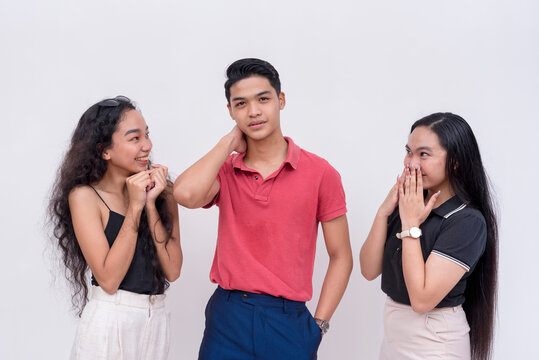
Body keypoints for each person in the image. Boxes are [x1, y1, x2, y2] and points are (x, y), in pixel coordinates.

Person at [174, 58, 353, 360]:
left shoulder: (321, 173)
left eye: (263, 99)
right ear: (230, 111)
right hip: (228, 318)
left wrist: (318, 325)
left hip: (290, 321)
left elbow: (341, 256)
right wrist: (227, 143)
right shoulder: (225, 170)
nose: (254, 111)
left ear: (280, 101)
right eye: (241, 103)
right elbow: (185, 194)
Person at [48, 96, 183, 360]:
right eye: (134, 139)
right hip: (111, 320)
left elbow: (174, 270)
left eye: (147, 135)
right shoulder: (85, 197)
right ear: (104, 150)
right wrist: (134, 207)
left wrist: (151, 204)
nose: (147, 145)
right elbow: (109, 280)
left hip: (155, 320)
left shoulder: (163, 192)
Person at [360, 113, 498, 360]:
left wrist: (411, 224)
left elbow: (422, 300)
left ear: (455, 161)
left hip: (435, 341)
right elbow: (369, 270)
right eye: (408, 151)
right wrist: (383, 213)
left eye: (423, 154)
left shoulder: (467, 220)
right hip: (395, 335)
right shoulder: (411, 204)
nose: (411, 163)